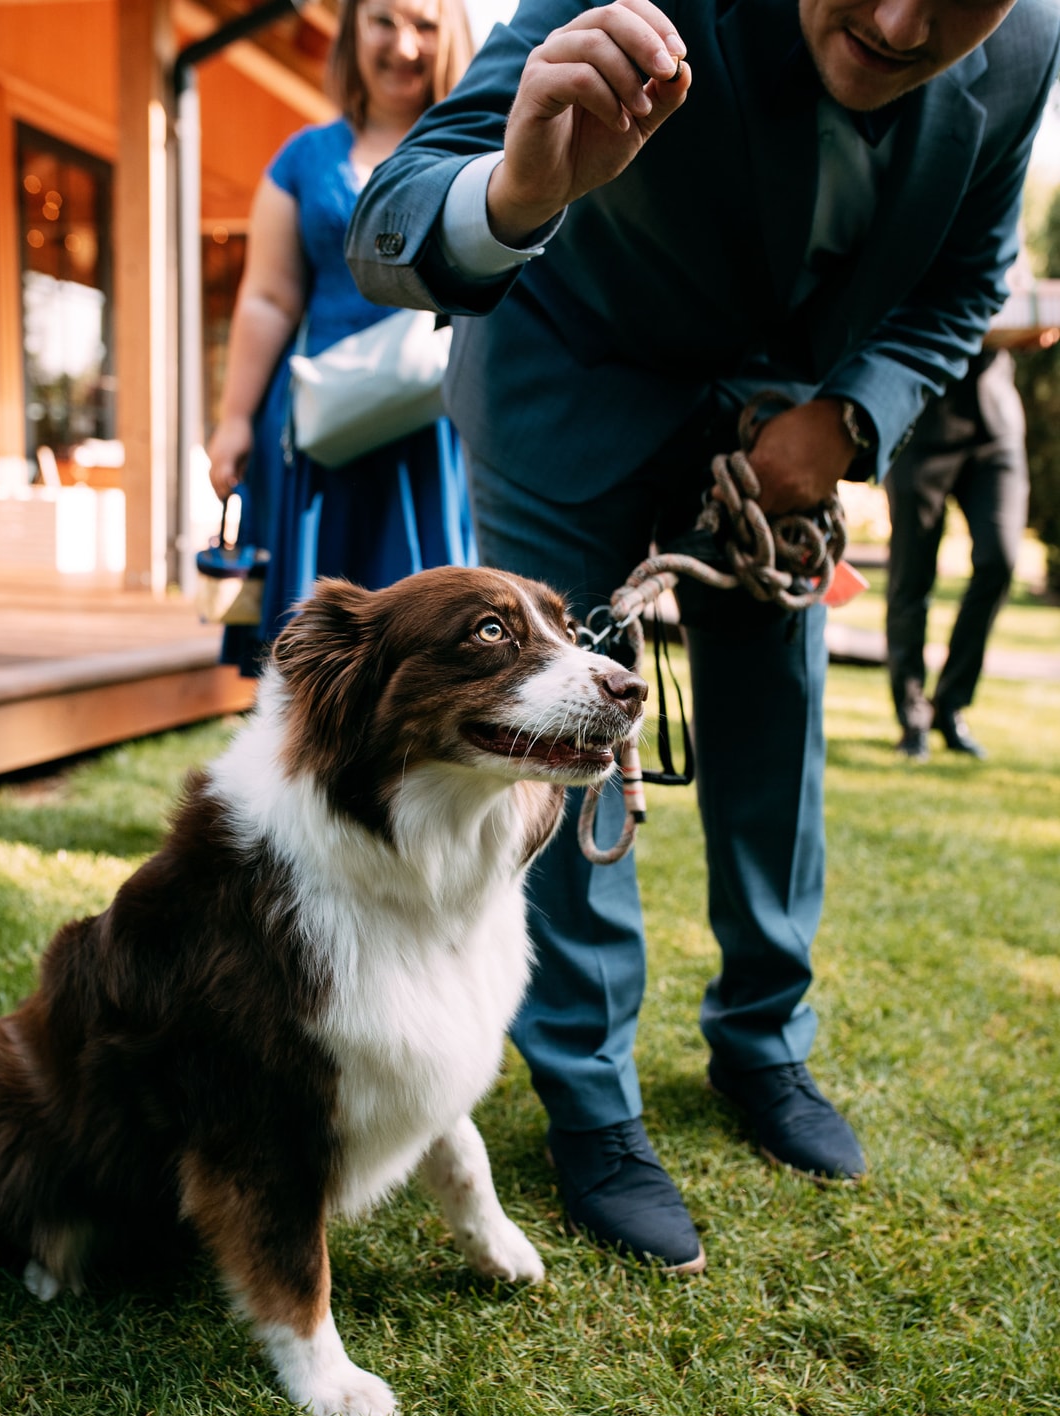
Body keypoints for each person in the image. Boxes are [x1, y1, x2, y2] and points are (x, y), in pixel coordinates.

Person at [345, 0, 1060, 1273]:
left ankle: (763, 1040)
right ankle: (590, 1096)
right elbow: (390, 219)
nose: (900, 23)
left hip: (783, 423)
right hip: (569, 374)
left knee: (777, 728)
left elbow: (966, 281)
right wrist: (513, 194)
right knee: (555, 747)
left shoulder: (1029, 46)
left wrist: (845, 421)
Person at [206, 0, 477, 673]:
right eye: (384, 21)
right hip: (324, 426)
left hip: (433, 431)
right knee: (311, 648)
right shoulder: (303, 158)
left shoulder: (477, 152)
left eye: (425, 25)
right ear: (352, 28)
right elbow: (268, 298)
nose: (404, 45)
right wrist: (234, 419)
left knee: (433, 643)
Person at [885, 342, 1030, 761]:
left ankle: (950, 703)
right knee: (912, 577)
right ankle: (912, 714)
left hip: (994, 425)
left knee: (999, 561)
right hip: (921, 421)